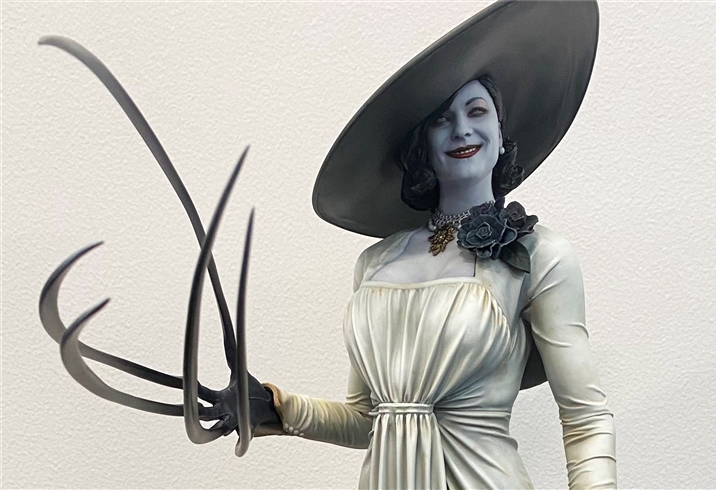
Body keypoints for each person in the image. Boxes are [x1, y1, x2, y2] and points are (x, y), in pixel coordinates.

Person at [38, 1, 615, 488]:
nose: (462, 128)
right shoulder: (377, 262)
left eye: (477, 109)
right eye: (442, 118)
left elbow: (586, 419)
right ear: (421, 143)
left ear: (501, 130)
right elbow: (368, 419)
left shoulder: (539, 256)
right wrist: (278, 407)